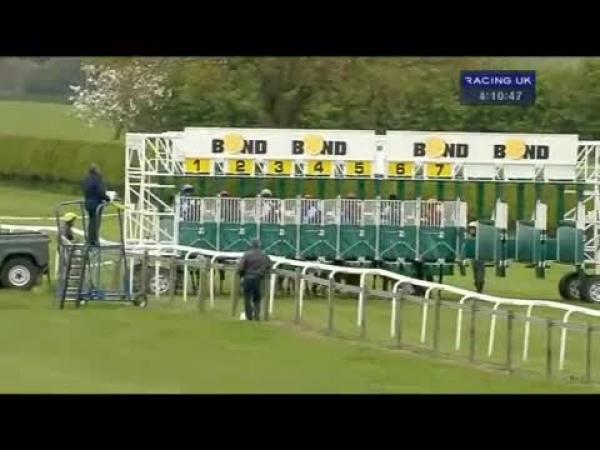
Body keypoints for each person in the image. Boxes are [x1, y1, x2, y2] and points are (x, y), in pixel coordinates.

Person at [237, 239, 272, 321]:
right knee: (257, 298)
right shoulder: (264, 255)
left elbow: (241, 267)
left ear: (251, 245)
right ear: (259, 245)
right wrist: (263, 273)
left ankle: (249, 316)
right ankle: (257, 315)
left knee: (247, 297)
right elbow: (269, 265)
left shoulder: (247, 254)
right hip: (258, 278)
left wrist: (241, 275)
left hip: (247, 278)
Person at [81, 164, 111, 246]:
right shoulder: (97, 180)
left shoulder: (86, 179)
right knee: (96, 222)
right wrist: (107, 198)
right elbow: (100, 192)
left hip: (88, 202)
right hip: (96, 203)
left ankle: (90, 239)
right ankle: (93, 240)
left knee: (91, 221)